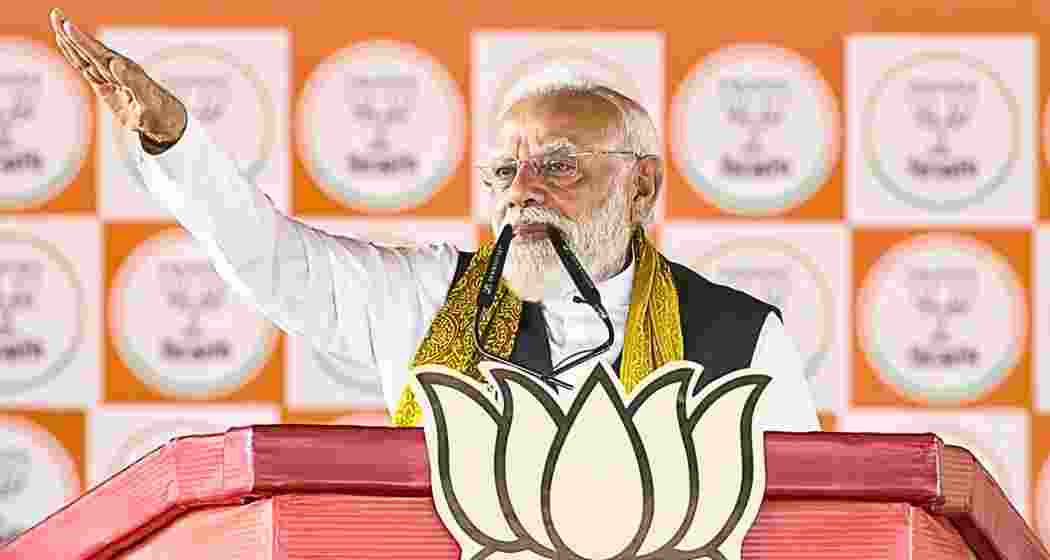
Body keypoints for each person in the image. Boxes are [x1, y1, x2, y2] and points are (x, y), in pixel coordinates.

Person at [48, 8, 820, 431]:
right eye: (504, 171)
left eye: (557, 165)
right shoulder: (423, 298)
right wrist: (175, 142)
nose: (523, 191)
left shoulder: (745, 340)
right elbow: (271, 259)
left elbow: (811, 530)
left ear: (641, 189)